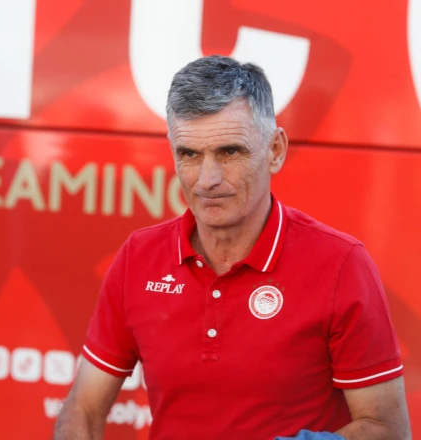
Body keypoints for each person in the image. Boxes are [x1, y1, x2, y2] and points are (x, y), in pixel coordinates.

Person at [54, 55, 411, 440]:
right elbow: (83, 408)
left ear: (275, 150)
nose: (207, 179)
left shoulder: (340, 264)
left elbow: (388, 430)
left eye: (230, 152)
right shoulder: (139, 257)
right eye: (189, 154)